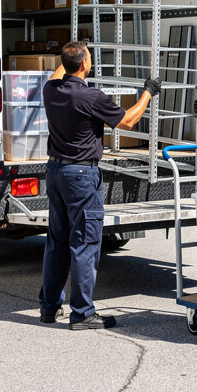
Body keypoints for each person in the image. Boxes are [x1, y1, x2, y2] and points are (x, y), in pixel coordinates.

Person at [39, 40, 161, 330]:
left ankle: (49, 307)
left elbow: (61, 71)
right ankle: (82, 313)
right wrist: (148, 93)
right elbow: (129, 121)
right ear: (84, 65)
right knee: (84, 242)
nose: (91, 61)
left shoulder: (51, 90)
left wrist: (73, 49)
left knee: (57, 241)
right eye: (89, 57)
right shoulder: (90, 97)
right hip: (81, 176)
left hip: (55, 172)